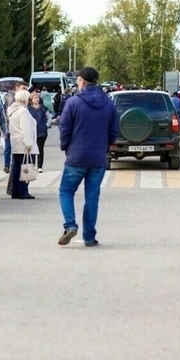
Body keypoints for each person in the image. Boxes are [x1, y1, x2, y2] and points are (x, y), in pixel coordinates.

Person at [57, 67, 118, 247]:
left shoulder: (73, 102)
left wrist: (66, 148)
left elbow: (64, 128)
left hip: (76, 156)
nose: (76, 82)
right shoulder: (108, 103)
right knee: (92, 197)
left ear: (82, 81)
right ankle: (89, 237)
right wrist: (104, 147)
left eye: (78, 80)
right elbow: (114, 131)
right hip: (98, 158)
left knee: (66, 191)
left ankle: (70, 225)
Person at [7, 89, 38, 199]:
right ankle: (23, 191)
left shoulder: (12, 110)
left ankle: (15, 191)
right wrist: (29, 144)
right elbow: (26, 128)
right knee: (26, 167)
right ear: (25, 99)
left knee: (16, 167)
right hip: (24, 143)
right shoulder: (23, 111)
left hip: (15, 141)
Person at [28, 92, 51, 173]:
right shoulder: (28, 109)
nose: (37, 99)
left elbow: (49, 117)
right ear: (31, 99)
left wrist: (47, 125)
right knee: (32, 148)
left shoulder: (43, 108)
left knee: (40, 148)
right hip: (32, 131)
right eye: (35, 98)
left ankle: (40, 166)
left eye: (37, 97)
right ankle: (32, 163)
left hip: (42, 131)